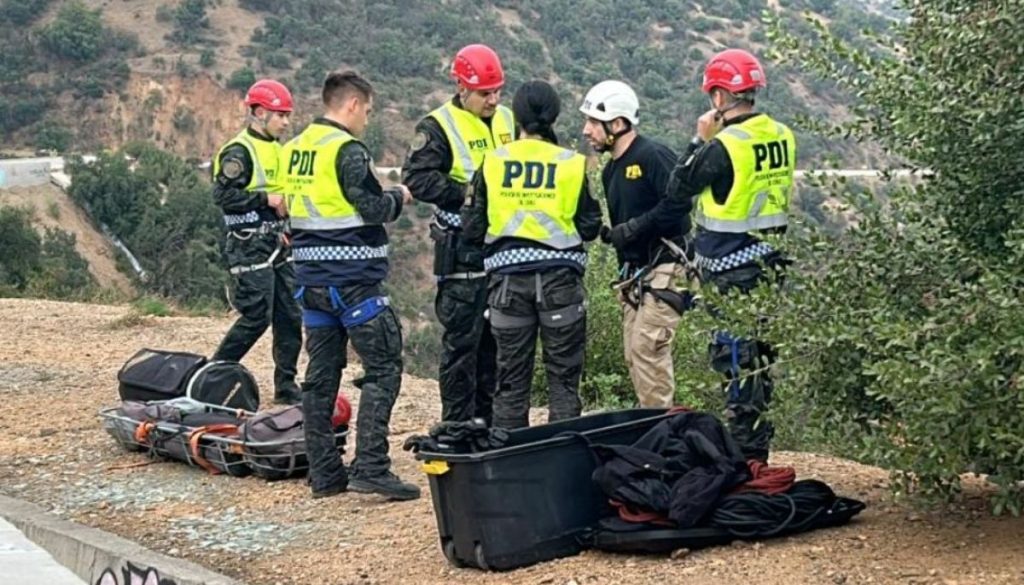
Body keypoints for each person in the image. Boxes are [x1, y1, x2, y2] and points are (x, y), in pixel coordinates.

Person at [281, 71, 418, 500]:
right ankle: (371, 465)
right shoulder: (348, 150)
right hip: (353, 281)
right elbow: (373, 207)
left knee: (320, 378)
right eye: (368, 111)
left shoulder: (295, 149)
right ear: (353, 104)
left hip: (310, 282)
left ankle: (324, 473)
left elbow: (289, 207)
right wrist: (399, 196)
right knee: (383, 367)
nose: (367, 120)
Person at [666, 49, 797, 462]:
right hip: (770, 266)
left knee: (736, 362)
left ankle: (748, 461)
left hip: (731, 270)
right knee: (761, 358)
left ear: (720, 96)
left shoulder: (724, 146)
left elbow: (677, 188)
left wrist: (699, 139)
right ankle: (759, 451)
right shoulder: (781, 134)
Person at [462, 80, 603, 429]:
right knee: (564, 382)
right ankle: (562, 463)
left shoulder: (492, 162)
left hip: (507, 287)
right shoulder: (571, 164)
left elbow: (471, 228)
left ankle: (510, 470)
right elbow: (589, 226)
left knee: (510, 383)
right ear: (554, 116)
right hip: (560, 285)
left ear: (517, 116)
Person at [401, 44, 515, 425]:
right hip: (462, 252)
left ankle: (489, 427)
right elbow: (416, 178)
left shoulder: (506, 121)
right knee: (461, 349)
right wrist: (469, 195)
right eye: (486, 93)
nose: (494, 100)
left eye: (498, 91)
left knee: (496, 349)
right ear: (462, 88)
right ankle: (456, 427)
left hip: (502, 251)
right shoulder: (438, 126)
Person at [579, 80, 694, 409]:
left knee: (648, 348)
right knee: (634, 352)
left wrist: (632, 229)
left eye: (593, 122)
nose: (587, 131)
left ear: (617, 124)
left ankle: (663, 432)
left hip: (666, 265)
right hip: (636, 275)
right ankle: (654, 423)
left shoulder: (653, 156)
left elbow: (679, 204)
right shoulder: (611, 170)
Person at [211, 79, 303, 406]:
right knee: (256, 315)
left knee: (290, 314)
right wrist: (266, 198)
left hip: (278, 240)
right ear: (260, 112)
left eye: (287, 115)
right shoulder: (239, 151)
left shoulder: (277, 149)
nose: (286, 122)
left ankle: (287, 386)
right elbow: (222, 195)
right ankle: (214, 375)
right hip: (248, 242)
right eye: (280, 115)